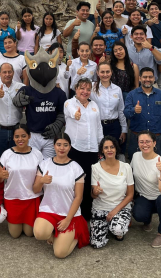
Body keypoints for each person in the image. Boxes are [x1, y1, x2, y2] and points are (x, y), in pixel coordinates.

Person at [33, 133, 90, 258]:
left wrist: (67, 220)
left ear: (70, 147)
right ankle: (54, 232)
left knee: (60, 253)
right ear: (54, 146)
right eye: (59, 144)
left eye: (65, 145)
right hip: (49, 211)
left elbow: (78, 197)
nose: (61, 148)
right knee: (39, 234)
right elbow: (36, 189)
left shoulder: (76, 168)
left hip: (69, 214)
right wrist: (41, 181)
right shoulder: (45, 164)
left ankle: (72, 235)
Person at [13, 48, 67, 159]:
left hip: (50, 136)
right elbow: (16, 102)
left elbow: (62, 113)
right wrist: (18, 99)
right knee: (32, 164)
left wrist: (57, 125)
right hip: (32, 135)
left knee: (48, 166)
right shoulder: (27, 90)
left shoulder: (60, 93)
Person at [64, 78, 103, 220]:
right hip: (75, 149)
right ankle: (73, 212)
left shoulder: (94, 106)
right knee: (75, 182)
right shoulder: (69, 103)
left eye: (88, 89)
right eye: (82, 88)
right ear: (76, 88)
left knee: (88, 183)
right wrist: (76, 114)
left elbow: (98, 127)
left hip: (92, 149)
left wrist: (101, 144)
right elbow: (72, 111)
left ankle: (86, 214)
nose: (85, 92)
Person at [130, 131, 161, 248]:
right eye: (141, 142)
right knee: (139, 215)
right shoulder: (135, 156)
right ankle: (147, 219)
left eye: (148, 141)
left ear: (154, 143)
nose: (145, 144)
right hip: (144, 197)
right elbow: (129, 175)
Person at [0, 126, 43, 238]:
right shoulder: (7, 154)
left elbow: (40, 177)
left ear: (29, 136)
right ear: (13, 138)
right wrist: (1, 176)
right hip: (13, 198)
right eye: (17, 136)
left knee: (29, 233)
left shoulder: (37, 154)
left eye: (23, 136)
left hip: (31, 198)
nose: (20, 139)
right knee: (15, 234)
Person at [89, 136, 134, 248]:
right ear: (102, 151)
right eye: (106, 148)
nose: (109, 150)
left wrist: (114, 211)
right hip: (100, 207)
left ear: (116, 149)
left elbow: (130, 195)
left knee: (118, 230)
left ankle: (116, 226)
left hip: (120, 207)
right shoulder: (95, 167)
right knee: (96, 244)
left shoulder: (126, 167)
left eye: (112, 147)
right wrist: (95, 191)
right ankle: (107, 225)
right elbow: (93, 195)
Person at [125, 67, 161, 159]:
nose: (147, 79)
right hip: (137, 138)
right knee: (135, 167)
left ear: (154, 78)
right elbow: (126, 113)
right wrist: (134, 110)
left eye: (150, 77)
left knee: (157, 167)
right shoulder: (132, 94)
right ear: (139, 78)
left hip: (157, 138)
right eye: (145, 77)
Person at [0, 63, 25, 156]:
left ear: (13, 73)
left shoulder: (21, 87)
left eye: (9, 72)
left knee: (16, 159)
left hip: (16, 130)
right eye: (4, 72)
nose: (7, 74)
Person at [90, 63, 127, 141]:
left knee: (113, 151)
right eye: (102, 72)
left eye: (107, 72)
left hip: (114, 126)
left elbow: (121, 110)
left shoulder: (117, 89)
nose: (105, 74)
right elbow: (77, 90)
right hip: (97, 125)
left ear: (111, 72)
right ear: (97, 72)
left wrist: (124, 129)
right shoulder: (92, 87)